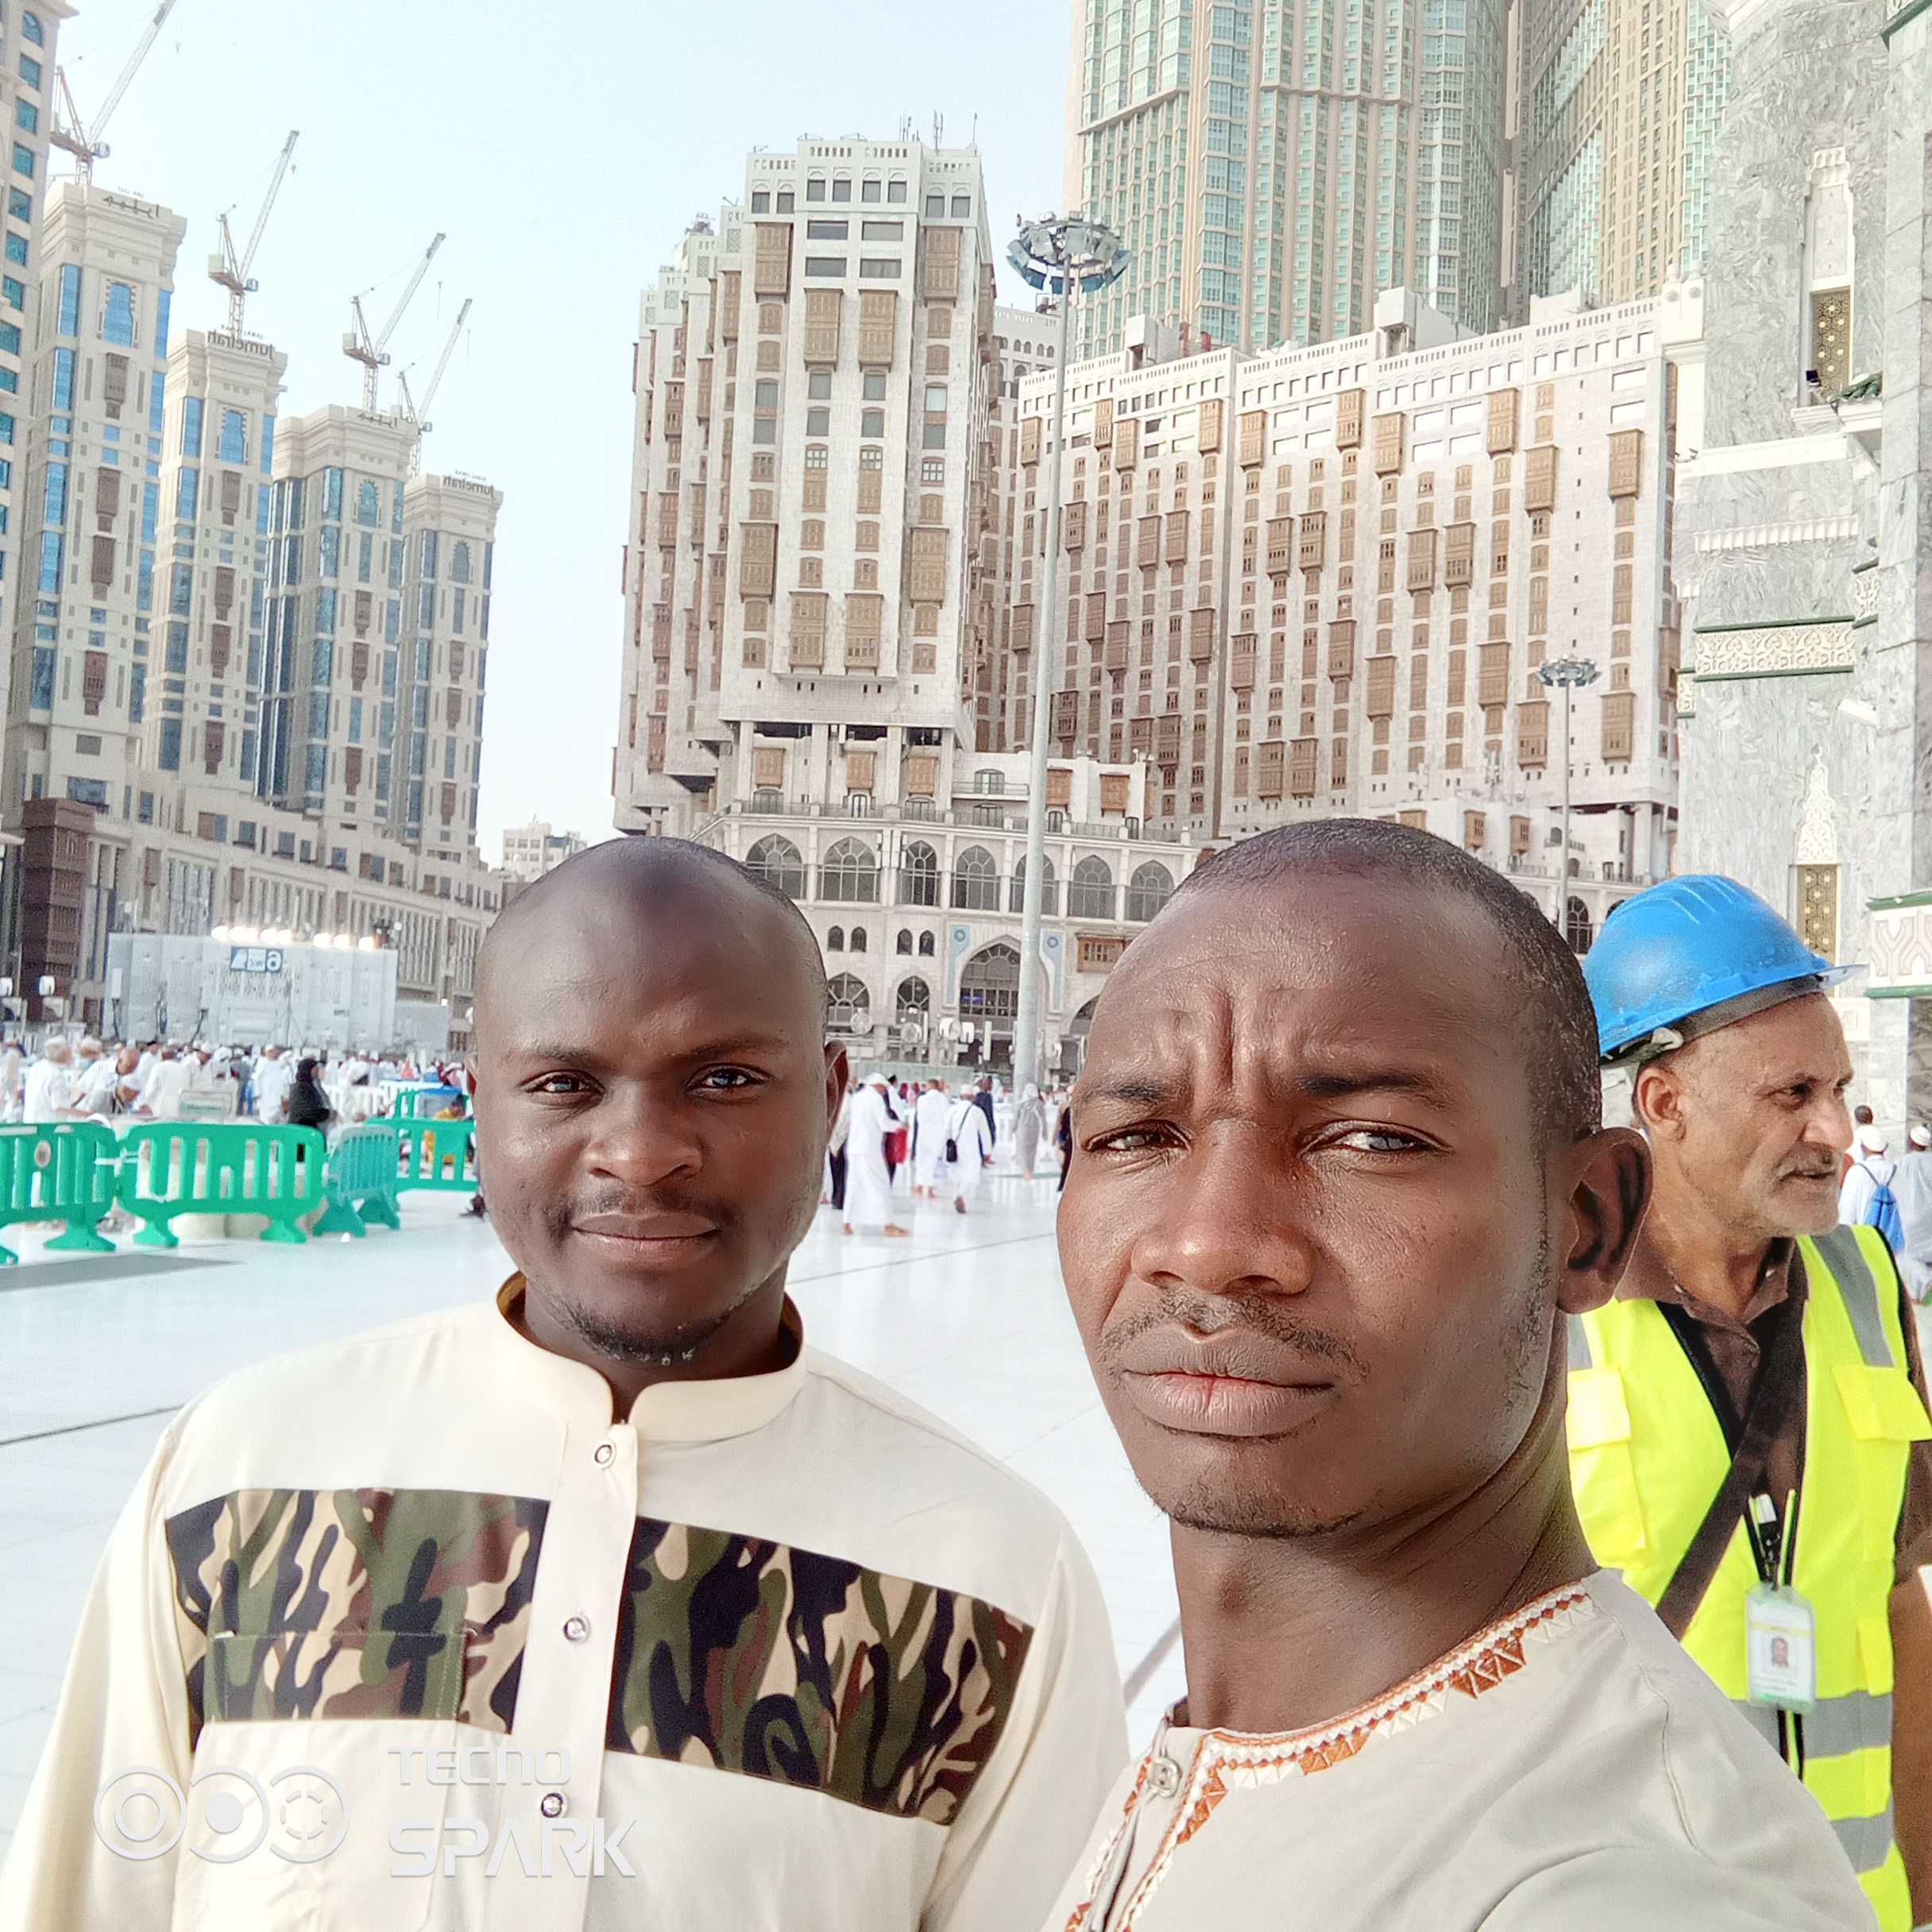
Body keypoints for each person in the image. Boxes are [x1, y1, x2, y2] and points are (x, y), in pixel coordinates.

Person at [0, 837, 1128, 1930]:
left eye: (725, 1079)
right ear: (481, 1102)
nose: (639, 1152)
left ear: (830, 1097)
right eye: (563, 1083)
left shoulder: (991, 1574)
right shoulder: (242, 1476)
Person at [1045, 822, 1868, 1932]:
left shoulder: (1636, 1884)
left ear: (1586, 1224)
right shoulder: (1231, 1752)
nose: (1205, 1244)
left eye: (1372, 1140)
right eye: (1136, 1137)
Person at [1575, 874, 1932, 1927]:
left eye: (1840, 1088)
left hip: (1853, 1903)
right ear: (1662, 1104)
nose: (1836, 1131)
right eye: (1791, 1094)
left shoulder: (1866, 1286)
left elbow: (1898, 1601)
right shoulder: (1539, 1316)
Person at [842, 1070, 909, 1237]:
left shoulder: (857, 1098)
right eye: (883, 1088)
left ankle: (847, 1223)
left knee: (854, 1185)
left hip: (854, 1148)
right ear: (877, 1086)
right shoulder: (876, 1099)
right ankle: (888, 1225)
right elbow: (883, 1123)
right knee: (880, 1184)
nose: (884, 1092)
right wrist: (900, 1126)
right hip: (869, 1149)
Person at [1841, 1122, 1903, 1239]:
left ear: (1863, 1148)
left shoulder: (1857, 1171)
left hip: (1865, 1237)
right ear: (1885, 1148)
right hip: (1892, 1238)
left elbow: (1847, 1213)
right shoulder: (1898, 1170)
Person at [942, 1083, 994, 1216]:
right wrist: (987, 1152)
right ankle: (960, 1195)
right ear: (973, 1097)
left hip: (954, 1148)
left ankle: (956, 1195)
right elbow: (985, 1133)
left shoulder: (953, 1110)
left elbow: (946, 1130)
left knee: (956, 1174)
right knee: (971, 1175)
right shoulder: (977, 1111)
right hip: (971, 1149)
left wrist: (945, 1146)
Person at [1895, 1123, 1932, 1304]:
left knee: (1908, 1255)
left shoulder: (1901, 1162)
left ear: (1911, 1142)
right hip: (1929, 1215)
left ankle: (1925, 1283)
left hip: (1908, 1215)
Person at [21, 1038, 80, 1124]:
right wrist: (89, 1114)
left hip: (30, 1122)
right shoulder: (56, 1075)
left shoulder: (36, 1067)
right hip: (49, 1125)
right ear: (65, 1053)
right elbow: (60, 1106)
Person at [912, 1077, 953, 1199]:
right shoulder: (943, 1099)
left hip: (923, 1133)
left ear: (930, 1086)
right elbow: (947, 1117)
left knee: (921, 1160)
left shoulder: (922, 1099)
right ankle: (929, 1188)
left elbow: (919, 1118)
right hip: (937, 1135)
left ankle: (920, 1186)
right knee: (932, 1161)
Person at [136, 1045, 191, 1122]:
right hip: (179, 1109)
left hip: (160, 1109)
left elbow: (150, 1090)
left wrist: (145, 1105)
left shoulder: (158, 1067)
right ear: (175, 1056)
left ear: (163, 1055)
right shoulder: (185, 1069)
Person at [283, 1056, 335, 1133]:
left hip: (308, 1128)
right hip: (301, 1129)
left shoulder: (310, 1086)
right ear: (308, 1070)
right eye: (315, 1068)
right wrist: (328, 1114)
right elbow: (308, 1111)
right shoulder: (300, 1088)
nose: (317, 1070)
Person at [251, 1044, 292, 1123]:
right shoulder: (262, 1062)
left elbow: (287, 1060)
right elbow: (257, 1078)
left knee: (277, 1114)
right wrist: (257, 1092)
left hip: (277, 1094)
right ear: (266, 1053)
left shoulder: (278, 1063)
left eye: (274, 1052)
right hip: (265, 1095)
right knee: (266, 1117)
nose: (272, 1054)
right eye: (270, 1052)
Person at [1014, 1083, 1046, 1180]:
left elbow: (1016, 1118)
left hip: (1023, 1128)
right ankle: (1029, 1170)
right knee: (1032, 1150)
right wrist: (1045, 1131)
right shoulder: (1039, 1104)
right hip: (1034, 1128)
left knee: (1023, 1150)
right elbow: (1043, 1119)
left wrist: (1014, 1128)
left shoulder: (1021, 1103)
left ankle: (1026, 1171)